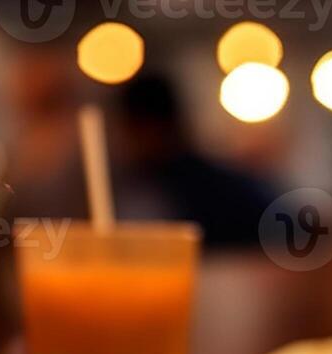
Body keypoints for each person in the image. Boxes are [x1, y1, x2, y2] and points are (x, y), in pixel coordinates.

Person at [112, 72, 280, 249]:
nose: (125, 140)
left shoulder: (214, 189)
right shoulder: (133, 184)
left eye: (130, 129)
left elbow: (286, 224)